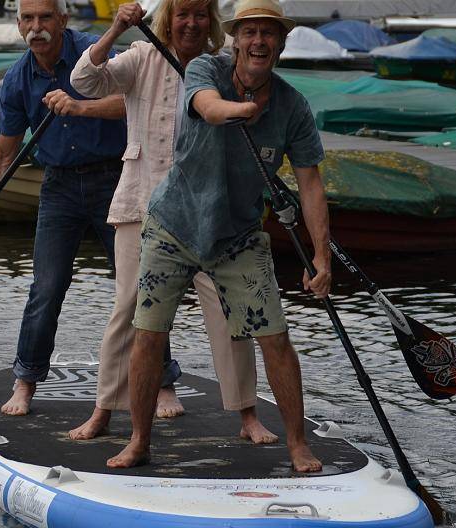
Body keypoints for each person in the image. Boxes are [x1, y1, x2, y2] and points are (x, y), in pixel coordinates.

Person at [106, 0, 330, 472]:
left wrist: (321, 256)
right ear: (235, 39)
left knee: (276, 338)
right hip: (172, 226)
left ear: (281, 43)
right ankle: (140, 440)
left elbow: (310, 182)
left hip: (238, 236)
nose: (258, 41)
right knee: (147, 334)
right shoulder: (205, 68)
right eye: (249, 32)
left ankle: (297, 444)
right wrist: (242, 108)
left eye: (268, 33)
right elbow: (207, 109)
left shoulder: (292, 106)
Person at [67, 0, 277, 444]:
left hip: (205, 210)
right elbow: (84, 80)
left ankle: (247, 415)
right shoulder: (143, 56)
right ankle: (104, 408)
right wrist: (116, 27)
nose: (191, 22)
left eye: (200, 14)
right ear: (168, 19)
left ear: (211, 22)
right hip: (141, 202)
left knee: (229, 311)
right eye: (183, 14)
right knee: (127, 308)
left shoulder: (221, 67)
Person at [0, 0, 129, 416]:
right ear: (18, 27)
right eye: (27, 20)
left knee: (137, 286)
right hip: (59, 188)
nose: (37, 28)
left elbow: (133, 100)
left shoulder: (96, 52)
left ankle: (161, 381)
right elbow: (2, 152)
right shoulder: (17, 78)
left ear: (63, 21)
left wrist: (80, 105)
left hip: (115, 181)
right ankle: (26, 380)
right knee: (46, 288)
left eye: (45, 17)